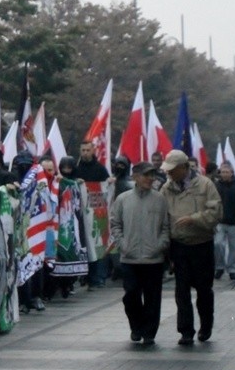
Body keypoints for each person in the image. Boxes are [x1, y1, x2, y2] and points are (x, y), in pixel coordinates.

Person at [161, 149, 221, 345]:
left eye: (172, 170)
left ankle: (206, 325)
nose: (169, 174)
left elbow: (216, 213)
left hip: (201, 244)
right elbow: (161, 216)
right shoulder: (166, 188)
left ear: (184, 168)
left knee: (204, 289)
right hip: (178, 246)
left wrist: (194, 219)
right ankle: (186, 331)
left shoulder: (205, 185)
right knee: (181, 291)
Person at [110, 161, 170, 346]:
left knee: (152, 297)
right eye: (146, 175)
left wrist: (160, 245)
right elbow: (115, 224)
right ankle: (136, 326)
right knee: (131, 296)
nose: (150, 179)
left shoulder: (160, 199)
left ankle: (149, 332)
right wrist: (122, 244)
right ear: (135, 176)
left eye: (152, 175)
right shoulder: (123, 199)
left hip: (153, 258)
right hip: (130, 257)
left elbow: (166, 227)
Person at [73, 141, 110, 290]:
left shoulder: (100, 169)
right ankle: (87, 277)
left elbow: (106, 188)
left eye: (88, 150)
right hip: (82, 214)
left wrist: (109, 183)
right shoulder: (76, 169)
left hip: (98, 214)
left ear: (93, 151)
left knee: (98, 245)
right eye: (83, 150)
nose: (85, 153)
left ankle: (98, 277)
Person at [213, 161, 235, 280]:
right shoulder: (217, 186)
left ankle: (232, 270)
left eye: (227, 172)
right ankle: (220, 267)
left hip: (234, 223)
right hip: (220, 221)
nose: (224, 174)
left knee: (233, 248)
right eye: (223, 172)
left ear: (232, 173)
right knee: (218, 244)